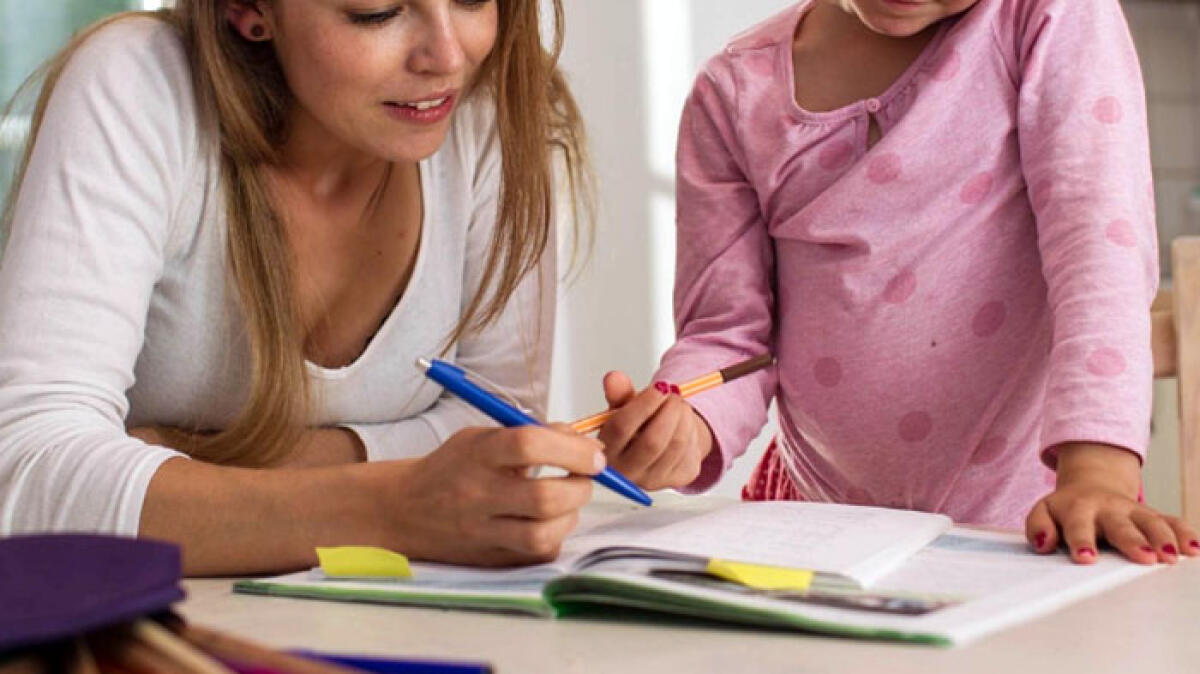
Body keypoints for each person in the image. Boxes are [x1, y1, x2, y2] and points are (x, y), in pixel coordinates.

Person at [0, 0, 602, 575]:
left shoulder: (483, 110)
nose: (448, 56)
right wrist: (393, 507)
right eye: (377, 12)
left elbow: (502, 435)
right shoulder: (136, 84)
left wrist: (195, 457)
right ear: (250, 9)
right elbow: (25, 474)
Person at [596, 0, 1200, 565]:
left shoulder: (1049, 15)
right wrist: (686, 424)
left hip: (1038, 527)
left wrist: (1099, 473)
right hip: (818, 530)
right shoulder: (732, 92)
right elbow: (730, 339)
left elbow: (1098, 251)